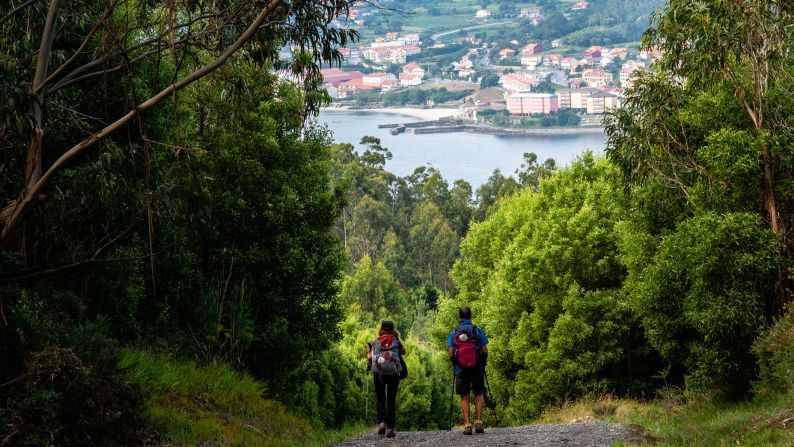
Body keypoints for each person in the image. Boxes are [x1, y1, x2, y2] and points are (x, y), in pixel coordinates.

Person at [448, 306, 489, 435]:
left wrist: (455, 364)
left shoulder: (454, 333)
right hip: (477, 367)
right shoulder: (477, 330)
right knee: (478, 394)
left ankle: (467, 424)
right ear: (470, 316)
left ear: (459, 317)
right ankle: (478, 422)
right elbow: (485, 350)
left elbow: (450, 353)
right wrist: (483, 362)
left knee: (464, 397)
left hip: (461, 368)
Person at [366, 320, 406, 438]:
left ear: (382, 329)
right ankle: (390, 428)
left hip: (379, 373)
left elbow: (370, 357)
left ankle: (381, 422)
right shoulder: (396, 341)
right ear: (393, 329)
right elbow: (404, 352)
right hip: (393, 373)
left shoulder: (376, 341)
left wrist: (368, 351)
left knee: (380, 398)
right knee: (391, 399)